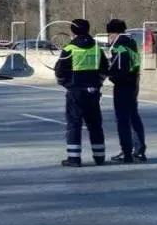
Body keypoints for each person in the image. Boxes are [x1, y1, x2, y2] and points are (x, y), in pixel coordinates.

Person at [54, 18, 109, 167]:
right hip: (93, 92)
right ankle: (99, 157)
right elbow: (105, 68)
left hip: (76, 93)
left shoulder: (70, 49)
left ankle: (74, 158)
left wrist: (67, 84)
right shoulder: (96, 48)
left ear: (73, 31)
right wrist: (98, 83)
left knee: (74, 124)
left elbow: (59, 71)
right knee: (95, 124)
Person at [106, 19, 147, 162]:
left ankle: (127, 152)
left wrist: (110, 75)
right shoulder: (132, 42)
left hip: (123, 85)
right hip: (134, 82)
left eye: (109, 34)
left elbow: (118, 66)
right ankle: (139, 150)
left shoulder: (119, 45)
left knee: (123, 120)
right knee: (133, 116)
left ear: (113, 32)